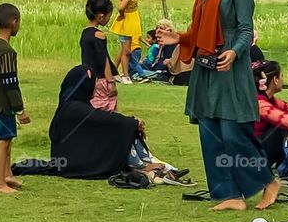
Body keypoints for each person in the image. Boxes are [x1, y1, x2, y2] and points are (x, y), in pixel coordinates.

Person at [158, 0, 280, 212]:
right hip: (206, 67)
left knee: (233, 131)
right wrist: (180, 38)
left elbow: (244, 29)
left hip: (229, 67)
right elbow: (202, 30)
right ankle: (229, 195)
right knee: (209, 131)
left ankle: (267, 181)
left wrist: (235, 51)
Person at [11, 67, 180, 181]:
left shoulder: (74, 105)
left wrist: (130, 122)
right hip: (73, 161)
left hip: (75, 157)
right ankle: (146, 165)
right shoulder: (74, 109)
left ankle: (149, 163)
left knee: (123, 126)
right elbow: (103, 120)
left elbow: (102, 121)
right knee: (124, 126)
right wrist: (132, 122)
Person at [0, 3, 31, 194]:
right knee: (4, 141)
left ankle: (6, 174)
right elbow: (10, 83)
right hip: (3, 104)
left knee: (7, 138)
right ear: (14, 22)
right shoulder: (6, 52)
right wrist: (20, 109)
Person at [252, 60, 288, 180]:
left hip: (258, 150)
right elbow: (287, 121)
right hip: (249, 156)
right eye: (282, 76)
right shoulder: (258, 102)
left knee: (287, 127)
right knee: (281, 129)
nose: (283, 79)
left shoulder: (270, 100)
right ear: (275, 80)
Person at [81, 0, 118, 110]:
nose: (108, 20)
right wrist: (110, 81)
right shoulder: (99, 35)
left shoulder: (85, 33)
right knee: (107, 109)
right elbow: (103, 59)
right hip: (101, 79)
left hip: (88, 77)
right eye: (109, 16)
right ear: (101, 16)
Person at [110, 0, 143, 84]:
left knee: (123, 50)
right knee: (126, 51)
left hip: (130, 24)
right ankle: (126, 75)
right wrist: (123, 16)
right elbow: (121, 7)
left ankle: (113, 71)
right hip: (126, 25)